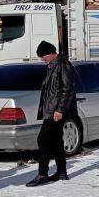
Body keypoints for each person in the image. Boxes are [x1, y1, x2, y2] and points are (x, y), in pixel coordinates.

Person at [26, 41, 75, 187]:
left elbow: (67, 89)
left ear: (52, 53)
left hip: (57, 111)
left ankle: (42, 174)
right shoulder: (53, 66)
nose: (42, 59)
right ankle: (61, 171)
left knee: (43, 139)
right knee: (56, 141)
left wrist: (59, 110)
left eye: (43, 56)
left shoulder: (63, 65)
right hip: (52, 111)